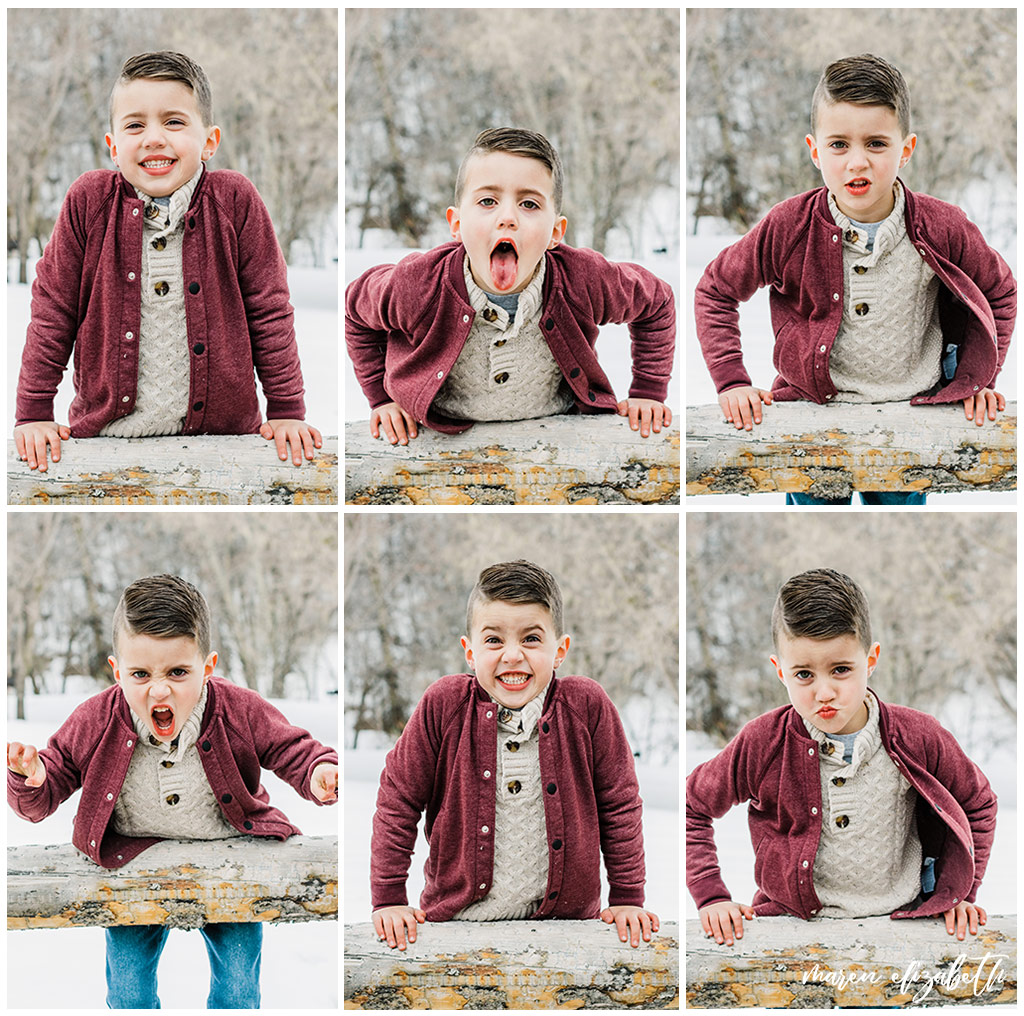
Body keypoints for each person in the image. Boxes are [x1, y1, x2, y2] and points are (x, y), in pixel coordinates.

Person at [694, 54, 1016, 505]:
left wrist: (977, 379)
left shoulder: (943, 226)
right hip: (810, 418)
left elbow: (999, 291)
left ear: (906, 149)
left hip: (910, 417)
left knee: (893, 534)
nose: (857, 162)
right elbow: (715, 290)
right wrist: (731, 380)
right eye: (839, 144)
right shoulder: (789, 226)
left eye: (877, 144)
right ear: (814, 150)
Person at [7, 574, 339, 1009]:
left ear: (207, 667)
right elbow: (48, 788)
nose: (159, 689)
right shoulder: (96, 718)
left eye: (178, 672)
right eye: (140, 673)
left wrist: (318, 771)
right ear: (117, 670)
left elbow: (288, 745)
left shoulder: (237, 708)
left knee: (239, 983)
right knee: (128, 985)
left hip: (230, 861)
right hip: (131, 863)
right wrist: (31, 778)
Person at [14, 51, 322, 472]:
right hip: (106, 444)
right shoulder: (88, 201)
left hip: (224, 444)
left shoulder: (235, 201)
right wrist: (33, 412)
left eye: (173, 122)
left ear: (209, 141)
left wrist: (287, 408)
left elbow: (269, 313)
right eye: (135, 125)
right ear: (114, 147)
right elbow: (53, 312)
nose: (153, 138)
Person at [687, 568, 996, 946]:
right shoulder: (763, 742)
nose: (825, 692)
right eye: (804, 674)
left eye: (841, 670)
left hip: (898, 934)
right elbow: (694, 804)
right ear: (779, 670)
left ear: (871, 659)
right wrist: (711, 894)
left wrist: (958, 893)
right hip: (790, 934)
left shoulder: (919, 735)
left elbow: (979, 803)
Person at [370, 560, 659, 950]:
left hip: (567, 931)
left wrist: (627, 898)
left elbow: (620, 804)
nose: (512, 655)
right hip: (456, 928)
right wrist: (388, 898)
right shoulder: (444, 705)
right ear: (469, 651)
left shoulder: (587, 706)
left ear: (560, 650)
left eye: (531, 639)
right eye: (493, 640)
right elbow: (397, 799)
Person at [346, 128, 675, 444]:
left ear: (556, 232)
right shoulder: (418, 284)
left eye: (529, 204)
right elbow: (355, 310)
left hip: (557, 437)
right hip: (440, 441)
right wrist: (381, 397)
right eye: (488, 201)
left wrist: (648, 391)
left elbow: (657, 302)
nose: (508, 218)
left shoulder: (582, 279)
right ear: (457, 224)